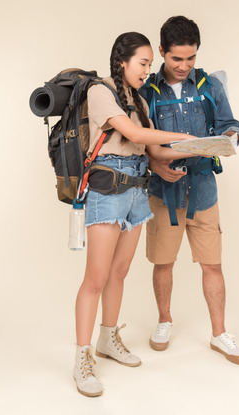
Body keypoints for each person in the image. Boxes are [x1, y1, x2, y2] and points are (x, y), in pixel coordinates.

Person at [73, 31, 206, 398]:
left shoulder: (138, 99)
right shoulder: (101, 91)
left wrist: (202, 147)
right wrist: (180, 135)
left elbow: (154, 152)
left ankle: (107, 339)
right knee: (96, 278)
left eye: (150, 64)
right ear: (123, 61)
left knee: (120, 271)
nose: (148, 71)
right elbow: (132, 133)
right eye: (143, 63)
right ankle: (82, 357)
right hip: (107, 189)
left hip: (136, 189)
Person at [139, 16, 239, 365]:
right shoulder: (146, 92)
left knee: (213, 265)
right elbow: (136, 142)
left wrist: (229, 139)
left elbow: (230, 124)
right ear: (162, 52)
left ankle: (219, 334)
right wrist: (155, 165)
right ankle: (164, 320)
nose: (184, 66)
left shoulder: (210, 86)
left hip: (203, 191)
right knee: (163, 263)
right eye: (176, 59)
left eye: (191, 58)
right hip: (163, 193)